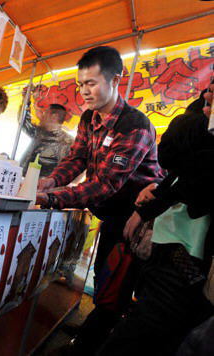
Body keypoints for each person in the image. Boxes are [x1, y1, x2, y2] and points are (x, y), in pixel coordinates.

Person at [36, 46, 164, 355]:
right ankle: (92, 332)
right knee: (103, 278)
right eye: (81, 84)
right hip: (110, 215)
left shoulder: (135, 126)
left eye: (91, 83)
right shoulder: (88, 118)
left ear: (116, 79)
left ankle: (85, 347)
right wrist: (52, 180)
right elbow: (76, 158)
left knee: (114, 288)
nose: (84, 91)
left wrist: (51, 198)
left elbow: (105, 184)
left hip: (137, 219)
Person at [97, 85, 214, 356]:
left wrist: (152, 205)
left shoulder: (192, 127)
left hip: (185, 252)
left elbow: (190, 176)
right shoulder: (198, 116)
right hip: (171, 245)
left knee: (149, 328)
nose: (207, 96)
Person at [20, 101, 74, 177]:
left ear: (54, 116)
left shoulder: (68, 142)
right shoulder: (38, 131)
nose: (41, 116)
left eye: (45, 113)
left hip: (46, 185)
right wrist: (26, 101)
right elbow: (23, 122)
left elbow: (73, 167)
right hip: (23, 177)